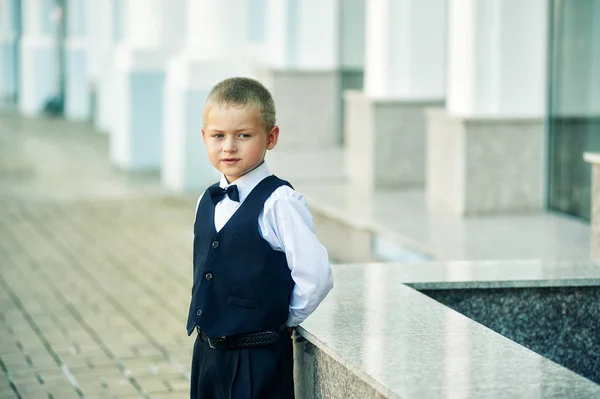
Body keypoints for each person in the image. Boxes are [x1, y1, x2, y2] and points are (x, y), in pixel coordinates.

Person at [186, 76, 334, 398]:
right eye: (218, 136)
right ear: (204, 137)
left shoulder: (280, 203)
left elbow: (316, 275)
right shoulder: (206, 200)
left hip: (258, 358)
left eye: (243, 135)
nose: (229, 146)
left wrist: (283, 317)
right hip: (208, 354)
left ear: (271, 137)